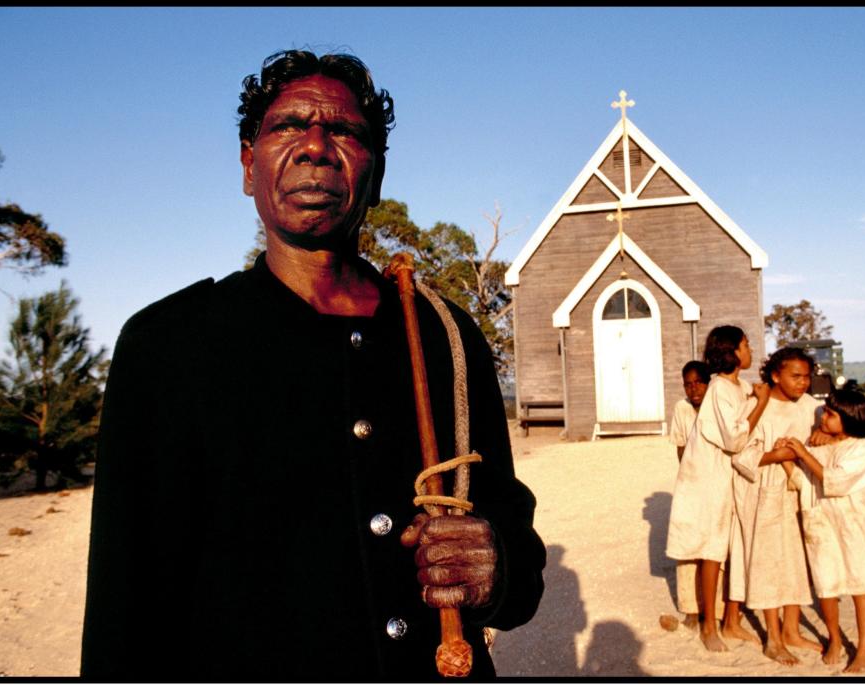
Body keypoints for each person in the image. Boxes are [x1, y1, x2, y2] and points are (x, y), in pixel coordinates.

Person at [80, 49, 546, 680]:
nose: (316, 146)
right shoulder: (168, 346)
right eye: (288, 126)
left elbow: (515, 551)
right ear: (249, 165)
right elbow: (124, 610)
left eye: (346, 132)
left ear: (374, 173)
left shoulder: (445, 336)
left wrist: (497, 569)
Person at [778, 389, 865, 673]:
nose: (824, 417)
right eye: (826, 412)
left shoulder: (860, 449)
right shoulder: (820, 445)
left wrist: (804, 453)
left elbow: (837, 481)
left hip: (853, 527)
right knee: (826, 585)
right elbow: (805, 481)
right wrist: (788, 459)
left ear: (849, 420)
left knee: (860, 585)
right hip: (820, 523)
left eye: (831, 415)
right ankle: (834, 638)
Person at [665, 325, 770, 652]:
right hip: (706, 482)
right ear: (733, 352)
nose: (750, 349)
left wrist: (753, 395)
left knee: (730, 549)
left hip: (726, 479)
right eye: (746, 344)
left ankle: (731, 621)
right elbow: (735, 438)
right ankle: (709, 625)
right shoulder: (719, 390)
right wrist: (762, 402)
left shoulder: (736, 388)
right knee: (710, 552)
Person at [728, 348, 823, 664]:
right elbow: (738, 453)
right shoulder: (759, 406)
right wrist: (775, 456)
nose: (803, 383)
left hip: (802, 491)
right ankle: (773, 636)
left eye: (807, 376)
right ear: (775, 375)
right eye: (796, 376)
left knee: (797, 559)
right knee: (770, 561)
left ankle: (792, 630)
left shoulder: (812, 408)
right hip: (765, 490)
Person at [667, 361, 722, 629]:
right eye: (688, 384)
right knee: (688, 547)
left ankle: (717, 610)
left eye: (699, 382)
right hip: (690, 485)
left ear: (709, 383)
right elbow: (680, 447)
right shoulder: (682, 409)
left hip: (718, 484)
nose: (694, 389)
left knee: (715, 547)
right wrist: (690, 480)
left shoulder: (717, 408)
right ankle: (690, 609)